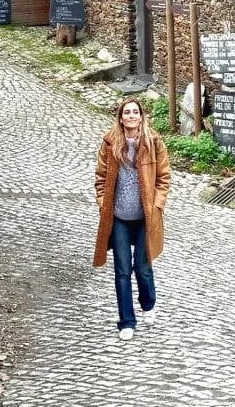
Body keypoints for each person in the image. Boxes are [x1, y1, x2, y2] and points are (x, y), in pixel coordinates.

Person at [93, 97, 171, 341]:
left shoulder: (154, 142)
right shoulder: (110, 143)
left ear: (141, 116)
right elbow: (100, 178)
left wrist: (157, 205)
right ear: (120, 117)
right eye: (126, 112)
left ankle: (148, 303)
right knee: (122, 270)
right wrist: (102, 204)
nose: (131, 116)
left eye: (135, 112)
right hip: (118, 217)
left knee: (143, 268)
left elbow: (164, 178)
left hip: (145, 218)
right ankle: (126, 321)